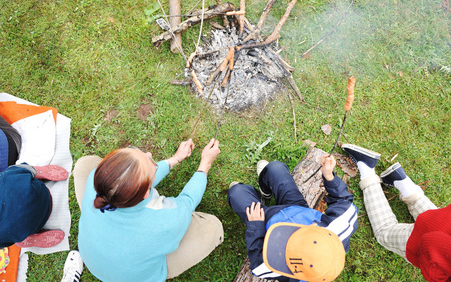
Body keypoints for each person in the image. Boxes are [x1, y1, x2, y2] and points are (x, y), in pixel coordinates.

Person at [75, 138, 224, 282]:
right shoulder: (164, 220)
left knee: (84, 164)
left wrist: (175, 159)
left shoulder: (96, 179)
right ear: (146, 193)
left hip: (93, 259)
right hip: (135, 278)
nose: (149, 154)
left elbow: (139, 179)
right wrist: (205, 164)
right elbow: (188, 200)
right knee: (212, 227)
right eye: (150, 161)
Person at [228, 155, 358, 282]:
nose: (292, 232)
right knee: (275, 168)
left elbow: (258, 265)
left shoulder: (280, 268)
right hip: (297, 209)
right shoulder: (340, 227)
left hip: (268, 222)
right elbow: (344, 200)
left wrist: (256, 226)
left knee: (236, 193)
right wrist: (329, 176)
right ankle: (265, 190)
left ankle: (251, 195)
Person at [342, 144, 451, 282]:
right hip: (433, 244)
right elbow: (431, 243)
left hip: (446, 220)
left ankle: (400, 180)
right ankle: (367, 168)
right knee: (384, 231)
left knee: (436, 219)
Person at [0, 115, 68, 249]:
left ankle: (28, 239)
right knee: (13, 174)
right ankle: (38, 171)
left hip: (24, 229)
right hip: (40, 193)